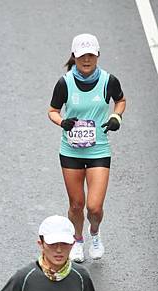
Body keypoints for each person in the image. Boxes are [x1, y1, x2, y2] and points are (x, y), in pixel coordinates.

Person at [48, 33, 126, 262]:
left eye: (91, 55)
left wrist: (116, 117)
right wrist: (62, 122)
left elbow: (120, 100)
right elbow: (52, 110)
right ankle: (78, 240)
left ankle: (94, 233)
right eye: (82, 55)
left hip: (98, 151)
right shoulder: (65, 83)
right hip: (71, 150)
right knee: (76, 204)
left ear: (98, 55)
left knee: (94, 207)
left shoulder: (108, 81)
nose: (87, 60)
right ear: (74, 56)